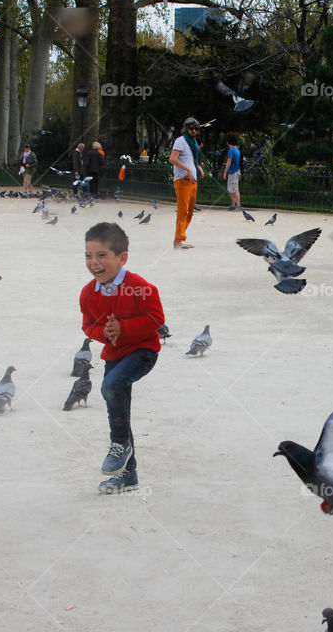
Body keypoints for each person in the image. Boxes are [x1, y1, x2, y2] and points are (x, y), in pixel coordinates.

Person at [80, 222, 165, 494]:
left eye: (102, 255)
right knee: (118, 409)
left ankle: (119, 444)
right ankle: (128, 476)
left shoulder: (140, 287)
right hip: (114, 355)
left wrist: (124, 328)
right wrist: (103, 332)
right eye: (88, 256)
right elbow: (88, 325)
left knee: (111, 387)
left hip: (142, 352)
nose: (94, 262)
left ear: (122, 258)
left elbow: (156, 319)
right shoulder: (87, 293)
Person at [168, 117, 205, 249]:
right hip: (182, 180)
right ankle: (178, 241)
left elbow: (190, 159)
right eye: (191, 128)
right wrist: (187, 169)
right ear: (185, 129)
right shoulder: (181, 141)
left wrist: (197, 167)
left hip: (192, 180)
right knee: (183, 211)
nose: (194, 131)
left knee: (189, 212)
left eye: (196, 129)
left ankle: (181, 237)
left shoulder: (193, 142)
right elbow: (172, 159)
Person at [222, 132, 242, 211]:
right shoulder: (237, 149)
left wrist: (225, 172)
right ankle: (233, 205)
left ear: (228, 141)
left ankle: (237, 205)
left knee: (234, 189)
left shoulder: (231, 150)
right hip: (236, 171)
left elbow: (228, 162)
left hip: (233, 171)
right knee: (232, 189)